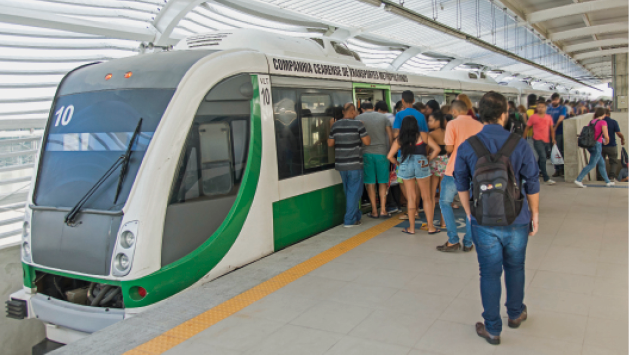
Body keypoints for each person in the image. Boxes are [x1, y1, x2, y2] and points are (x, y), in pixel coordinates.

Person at [454, 91, 540, 345]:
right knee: (516, 266)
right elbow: (532, 182)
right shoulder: (519, 143)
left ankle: (492, 328)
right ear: (504, 114)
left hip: (483, 221)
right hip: (517, 218)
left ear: (480, 115)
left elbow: (461, 183)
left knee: (489, 273)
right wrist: (534, 214)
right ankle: (515, 314)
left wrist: (470, 214)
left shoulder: (468, 146)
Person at [436, 100, 483, 252]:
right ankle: (468, 242)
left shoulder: (453, 124)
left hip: (455, 170)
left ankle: (453, 241)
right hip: (475, 171)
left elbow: (449, 148)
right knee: (471, 207)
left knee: (445, 202)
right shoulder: (479, 125)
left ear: (454, 112)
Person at [387, 116, 440, 234]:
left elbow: (389, 156)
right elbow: (436, 149)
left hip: (405, 164)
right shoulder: (423, 135)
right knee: (426, 197)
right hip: (422, 164)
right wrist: (428, 159)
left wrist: (398, 163)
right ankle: (431, 227)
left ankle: (411, 228)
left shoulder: (400, 139)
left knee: (411, 197)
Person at [328, 103, 371, 227]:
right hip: (355, 164)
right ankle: (349, 220)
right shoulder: (358, 124)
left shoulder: (335, 125)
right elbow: (367, 142)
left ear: (343, 112)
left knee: (350, 192)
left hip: (341, 164)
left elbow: (330, 143)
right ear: (352, 112)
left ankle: (356, 216)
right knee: (354, 191)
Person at [394, 90, 429, 220]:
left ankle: (411, 211)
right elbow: (425, 135)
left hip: (403, 153)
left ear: (402, 100)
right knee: (418, 183)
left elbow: (395, 134)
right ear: (414, 100)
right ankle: (417, 209)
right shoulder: (420, 116)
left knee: (404, 182)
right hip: (419, 152)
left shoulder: (399, 115)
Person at [357, 101, 393, 219]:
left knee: (370, 183)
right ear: (373, 108)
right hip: (382, 153)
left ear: (362, 109)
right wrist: (391, 151)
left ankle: (374, 211)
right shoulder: (383, 117)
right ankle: (383, 210)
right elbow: (390, 136)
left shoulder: (358, 118)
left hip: (366, 153)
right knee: (383, 182)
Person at [574, 108, 614, 188]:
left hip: (590, 145)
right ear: (604, 114)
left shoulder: (592, 121)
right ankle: (578, 180)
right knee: (592, 164)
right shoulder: (603, 122)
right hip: (597, 145)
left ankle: (608, 181)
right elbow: (606, 136)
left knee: (602, 163)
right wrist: (607, 141)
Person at [523, 101, 556, 185]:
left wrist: (553, 139)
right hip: (537, 140)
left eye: (542, 107)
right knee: (543, 157)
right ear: (537, 108)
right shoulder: (533, 117)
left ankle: (535, 175)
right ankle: (546, 177)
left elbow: (551, 129)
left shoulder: (549, 117)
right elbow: (527, 128)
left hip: (546, 141)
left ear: (545, 108)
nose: (540, 108)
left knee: (540, 159)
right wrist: (523, 139)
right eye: (539, 107)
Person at [428, 111, 448, 228]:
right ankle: (443, 222)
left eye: (431, 120)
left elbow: (428, 150)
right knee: (443, 194)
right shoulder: (448, 132)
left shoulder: (431, 134)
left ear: (437, 121)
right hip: (446, 163)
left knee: (430, 195)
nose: (429, 122)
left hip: (434, 163)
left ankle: (430, 222)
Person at [547, 93, 568, 177]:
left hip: (559, 132)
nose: (554, 101)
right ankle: (556, 169)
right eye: (553, 100)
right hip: (550, 132)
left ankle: (562, 169)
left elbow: (561, 118)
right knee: (553, 151)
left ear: (559, 100)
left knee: (559, 150)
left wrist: (555, 127)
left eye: (556, 100)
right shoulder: (548, 109)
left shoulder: (562, 108)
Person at [601, 109, 625, 181]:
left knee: (601, 161)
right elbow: (618, 133)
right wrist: (622, 139)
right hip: (612, 146)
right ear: (609, 114)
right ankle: (611, 177)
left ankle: (600, 177)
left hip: (601, 146)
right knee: (614, 162)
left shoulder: (599, 122)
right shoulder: (613, 122)